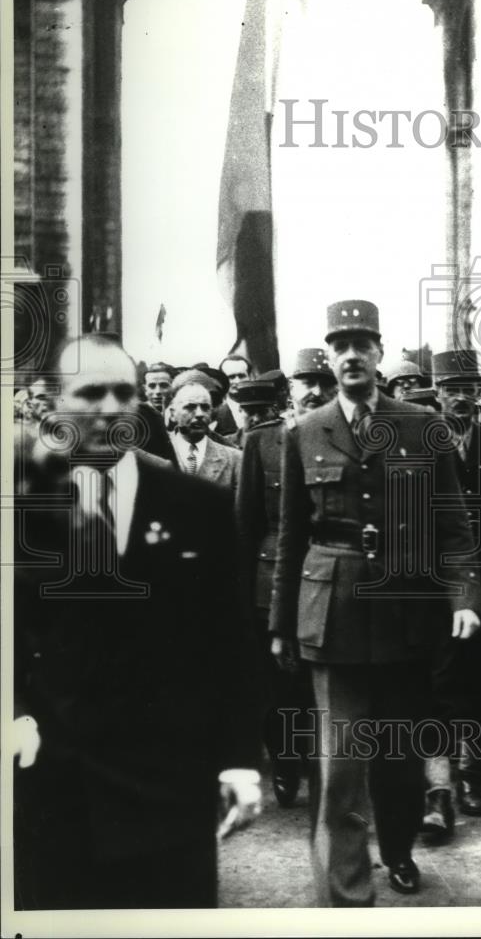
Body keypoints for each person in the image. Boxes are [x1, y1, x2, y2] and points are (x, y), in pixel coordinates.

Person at [13, 334, 262, 910]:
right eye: (91, 392)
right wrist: (14, 716)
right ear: (55, 403)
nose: (109, 408)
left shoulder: (194, 505)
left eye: (123, 393)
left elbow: (229, 640)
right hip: (53, 777)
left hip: (169, 785)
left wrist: (240, 760)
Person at [269, 300, 481, 906]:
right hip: (331, 612)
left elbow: (454, 524)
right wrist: (283, 624)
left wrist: (464, 595)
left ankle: (397, 849)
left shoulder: (421, 425)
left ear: (381, 354)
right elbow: (291, 536)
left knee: (398, 755)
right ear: (331, 357)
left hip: (406, 610)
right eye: (340, 345)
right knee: (339, 763)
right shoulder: (304, 432)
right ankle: (347, 892)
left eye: (363, 343)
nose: (352, 354)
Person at [418, 348, 481, 838]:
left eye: (466, 388)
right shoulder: (419, 437)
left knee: (480, 678)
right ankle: (438, 786)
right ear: (436, 392)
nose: (459, 397)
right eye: (450, 388)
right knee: (438, 685)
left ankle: (472, 776)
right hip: (435, 581)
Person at [236, 349, 336, 808]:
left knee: (327, 685)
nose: (314, 389)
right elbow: (246, 524)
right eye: (304, 381)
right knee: (280, 687)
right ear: (289, 390)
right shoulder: (262, 441)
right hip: (271, 580)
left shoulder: (345, 437)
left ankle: (325, 773)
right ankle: (285, 763)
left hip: (331, 581)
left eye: (322, 380)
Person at [169, 381, 242, 492]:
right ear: (173, 414)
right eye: (190, 407)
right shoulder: (156, 454)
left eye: (205, 407)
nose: (199, 414)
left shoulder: (235, 459)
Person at [232, 380, 278, 446]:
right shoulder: (228, 444)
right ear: (240, 410)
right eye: (250, 412)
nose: (256, 419)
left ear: (274, 410)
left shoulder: (287, 439)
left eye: (262, 412)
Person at [216, 353, 253, 436]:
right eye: (231, 377)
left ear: (250, 377)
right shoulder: (216, 414)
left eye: (241, 376)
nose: (237, 381)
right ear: (222, 380)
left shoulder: (262, 409)